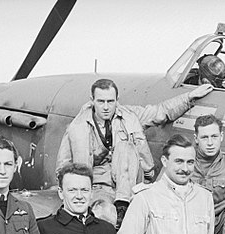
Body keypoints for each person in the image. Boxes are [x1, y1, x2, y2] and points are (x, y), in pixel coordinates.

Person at [55, 78, 214, 222]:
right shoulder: (77, 127)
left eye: (110, 101)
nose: (105, 107)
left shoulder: (130, 116)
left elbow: (161, 111)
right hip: (98, 186)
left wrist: (190, 97)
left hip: (131, 182)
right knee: (104, 214)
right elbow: (63, 166)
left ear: (117, 100)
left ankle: (123, 206)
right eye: (101, 101)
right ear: (92, 101)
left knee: (125, 146)